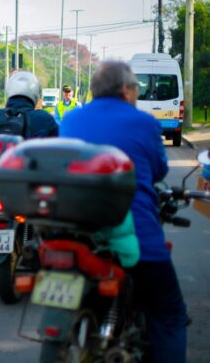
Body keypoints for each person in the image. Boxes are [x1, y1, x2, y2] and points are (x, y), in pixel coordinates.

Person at [60, 60, 186, 362]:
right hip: (136, 235)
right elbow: (158, 171)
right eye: (135, 89)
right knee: (169, 313)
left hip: (73, 230)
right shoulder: (143, 122)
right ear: (127, 90)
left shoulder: (71, 119)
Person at [0, 71, 58, 281]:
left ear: (9, 92)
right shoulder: (43, 118)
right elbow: (57, 145)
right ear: (35, 94)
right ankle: (49, 263)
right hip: (32, 185)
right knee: (50, 216)